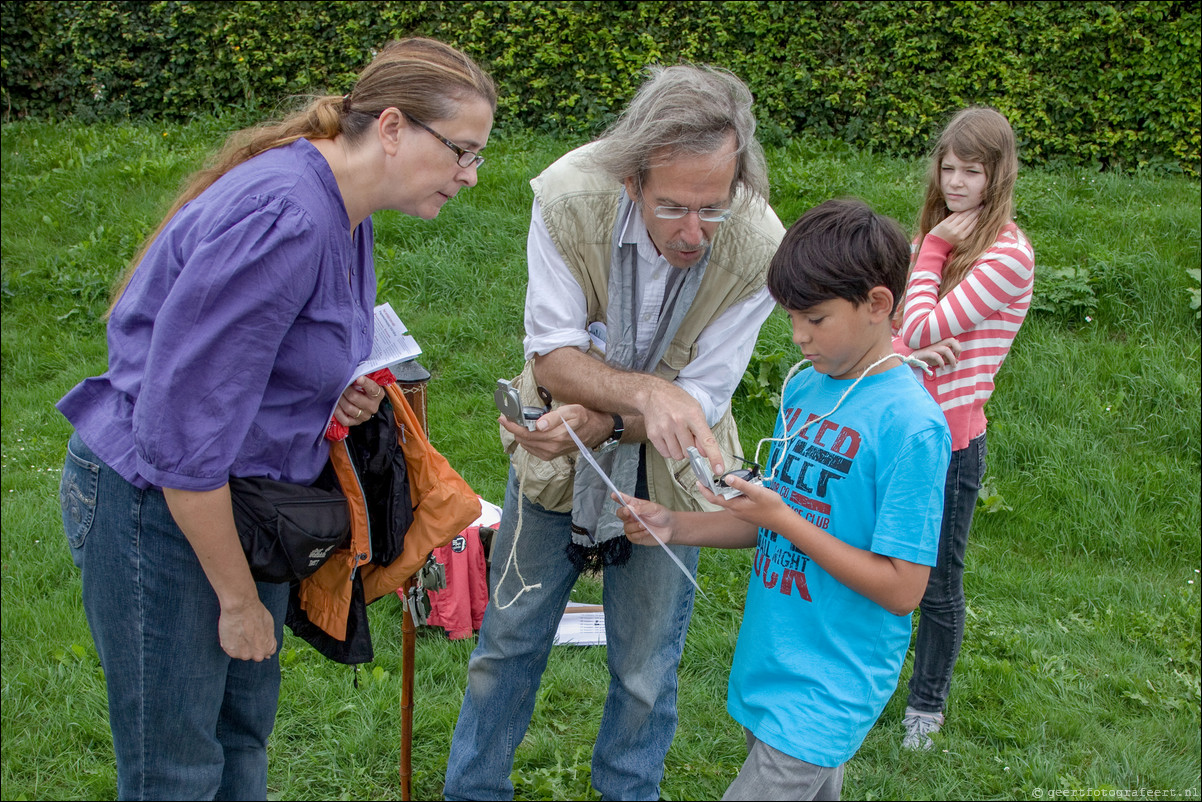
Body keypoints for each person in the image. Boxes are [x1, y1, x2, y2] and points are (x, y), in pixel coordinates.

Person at [55, 38, 495, 800]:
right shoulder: (287, 217)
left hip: (239, 510)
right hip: (159, 512)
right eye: (461, 151)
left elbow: (269, 359)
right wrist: (234, 601)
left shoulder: (344, 209)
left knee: (240, 740)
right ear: (392, 127)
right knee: (178, 770)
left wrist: (335, 395)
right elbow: (179, 440)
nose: (471, 174)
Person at [443, 65, 784, 801]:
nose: (694, 232)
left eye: (712, 207)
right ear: (630, 182)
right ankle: (472, 792)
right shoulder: (568, 198)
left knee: (646, 668)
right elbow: (553, 352)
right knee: (507, 644)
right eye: (672, 208)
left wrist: (606, 415)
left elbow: (707, 391)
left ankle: (628, 792)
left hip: (673, 467)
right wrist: (633, 398)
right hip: (557, 459)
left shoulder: (761, 245)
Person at [617, 198, 951, 801]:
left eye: (816, 319)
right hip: (772, 662)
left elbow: (903, 590)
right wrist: (675, 524)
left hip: (831, 682)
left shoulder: (912, 427)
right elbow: (770, 522)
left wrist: (785, 519)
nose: (799, 336)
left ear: (878, 304)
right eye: (791, 317)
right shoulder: (803, 388)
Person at [891, 106, 1035, 750]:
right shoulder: (935, 239)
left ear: (997, 176)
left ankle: (926, 708)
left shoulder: (1007, 254)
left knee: (937, 582)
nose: (954, 183)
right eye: (947, 168)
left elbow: (917, 328)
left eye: (970, 172)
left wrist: (935, 250)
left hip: (950, 441)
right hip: (898, 425)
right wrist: (906, 348)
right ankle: (871, 680)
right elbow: (894, 336)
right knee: (882, 562)